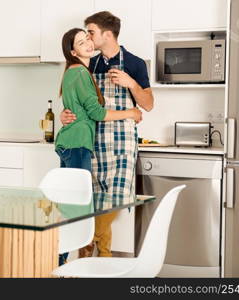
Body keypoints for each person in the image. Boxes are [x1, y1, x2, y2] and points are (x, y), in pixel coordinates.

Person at [60, 11, 154, 258]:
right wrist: (66, 115)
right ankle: (102, 258)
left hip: (122, 142)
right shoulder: (90, 62)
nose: (88, 39)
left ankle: (90, 240)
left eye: (90, 32)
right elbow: (82, 101)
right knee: (92, 201)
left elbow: (149, 104)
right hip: (93, 139)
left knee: (117, 198)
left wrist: (130, 83)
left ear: (107, 34)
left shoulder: (134, 63)